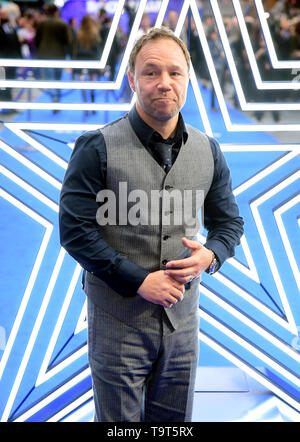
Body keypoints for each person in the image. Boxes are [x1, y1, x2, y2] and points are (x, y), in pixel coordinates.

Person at [59, 27, 244, 422]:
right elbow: (75, 232)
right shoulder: (96, 147)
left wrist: (210, 255)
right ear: (131, 79)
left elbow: (229, 224)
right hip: (117, 321)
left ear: (188, 81)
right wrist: (138, 280)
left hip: (183, 323)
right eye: (151, 72)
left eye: (175, 73)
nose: (164, 83)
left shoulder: (209, 150)